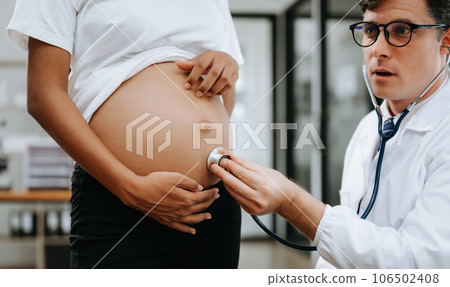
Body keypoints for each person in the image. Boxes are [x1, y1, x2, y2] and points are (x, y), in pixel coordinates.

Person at [211, 0, 450, 268]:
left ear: (445, 41)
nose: (378, 50)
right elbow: (344, 246)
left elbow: (420, 266)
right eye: (371, 31)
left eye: (401, 31)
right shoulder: (369, 128)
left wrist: (293, 203)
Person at [7, 0, 243, 268]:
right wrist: (129, 188)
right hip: (118, 199)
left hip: (212, 203)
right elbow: (43, 94)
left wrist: (226, 70)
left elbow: (225, 101)